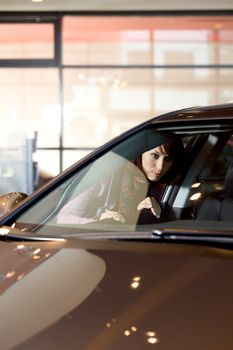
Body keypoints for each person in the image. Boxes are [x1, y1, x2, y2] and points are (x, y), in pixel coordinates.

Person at [57, 135, 186, 225]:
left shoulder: (171, 186)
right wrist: (100, 223)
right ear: (140, 152)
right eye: (155, 156)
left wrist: (139, 213)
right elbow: (64, 218)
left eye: (168, 159)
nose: (160, 167)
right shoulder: (107, 176)